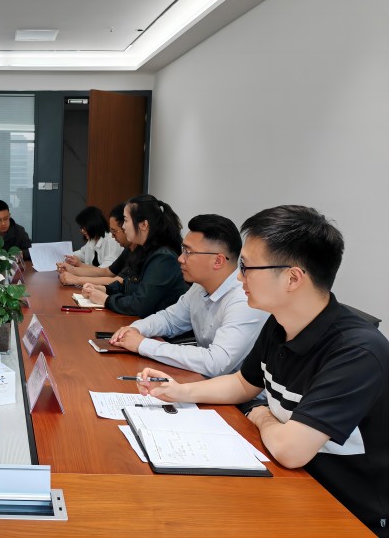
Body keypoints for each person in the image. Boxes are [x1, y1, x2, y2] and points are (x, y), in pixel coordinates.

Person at [136, 205, 388, 536]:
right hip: (289, 481)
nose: (239, 278)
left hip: (346, 509)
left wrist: (263, 415)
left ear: (293, 278)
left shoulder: (356, 352)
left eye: (247, 267)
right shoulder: (279, 323)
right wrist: (178, 391)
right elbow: (244, 383)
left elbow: (291, 450)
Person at [110, 214, 268, 377]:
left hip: (233, 390)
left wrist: (143, 345)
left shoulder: (244, 299)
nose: (180, 258)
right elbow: (170, 319)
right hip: (202, 378)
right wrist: (136, 329)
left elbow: (216, 362)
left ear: (218, 261)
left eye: (188, 252)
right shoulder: (199, 287)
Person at [82, 194, 187, 316]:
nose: (123, 226)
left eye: (126, 220)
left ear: (143, 225)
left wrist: (105, 300)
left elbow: (140, 305)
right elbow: (130, 285)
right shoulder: (143, 250)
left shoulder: (163, 258)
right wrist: (105, 289)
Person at [58, 202, 131, 287]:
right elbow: (107, 271)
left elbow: (109, 274)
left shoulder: (113, 241)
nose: (81, 231)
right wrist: (70, 263)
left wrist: (77, 272)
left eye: (83, 227)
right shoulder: (92, 241)